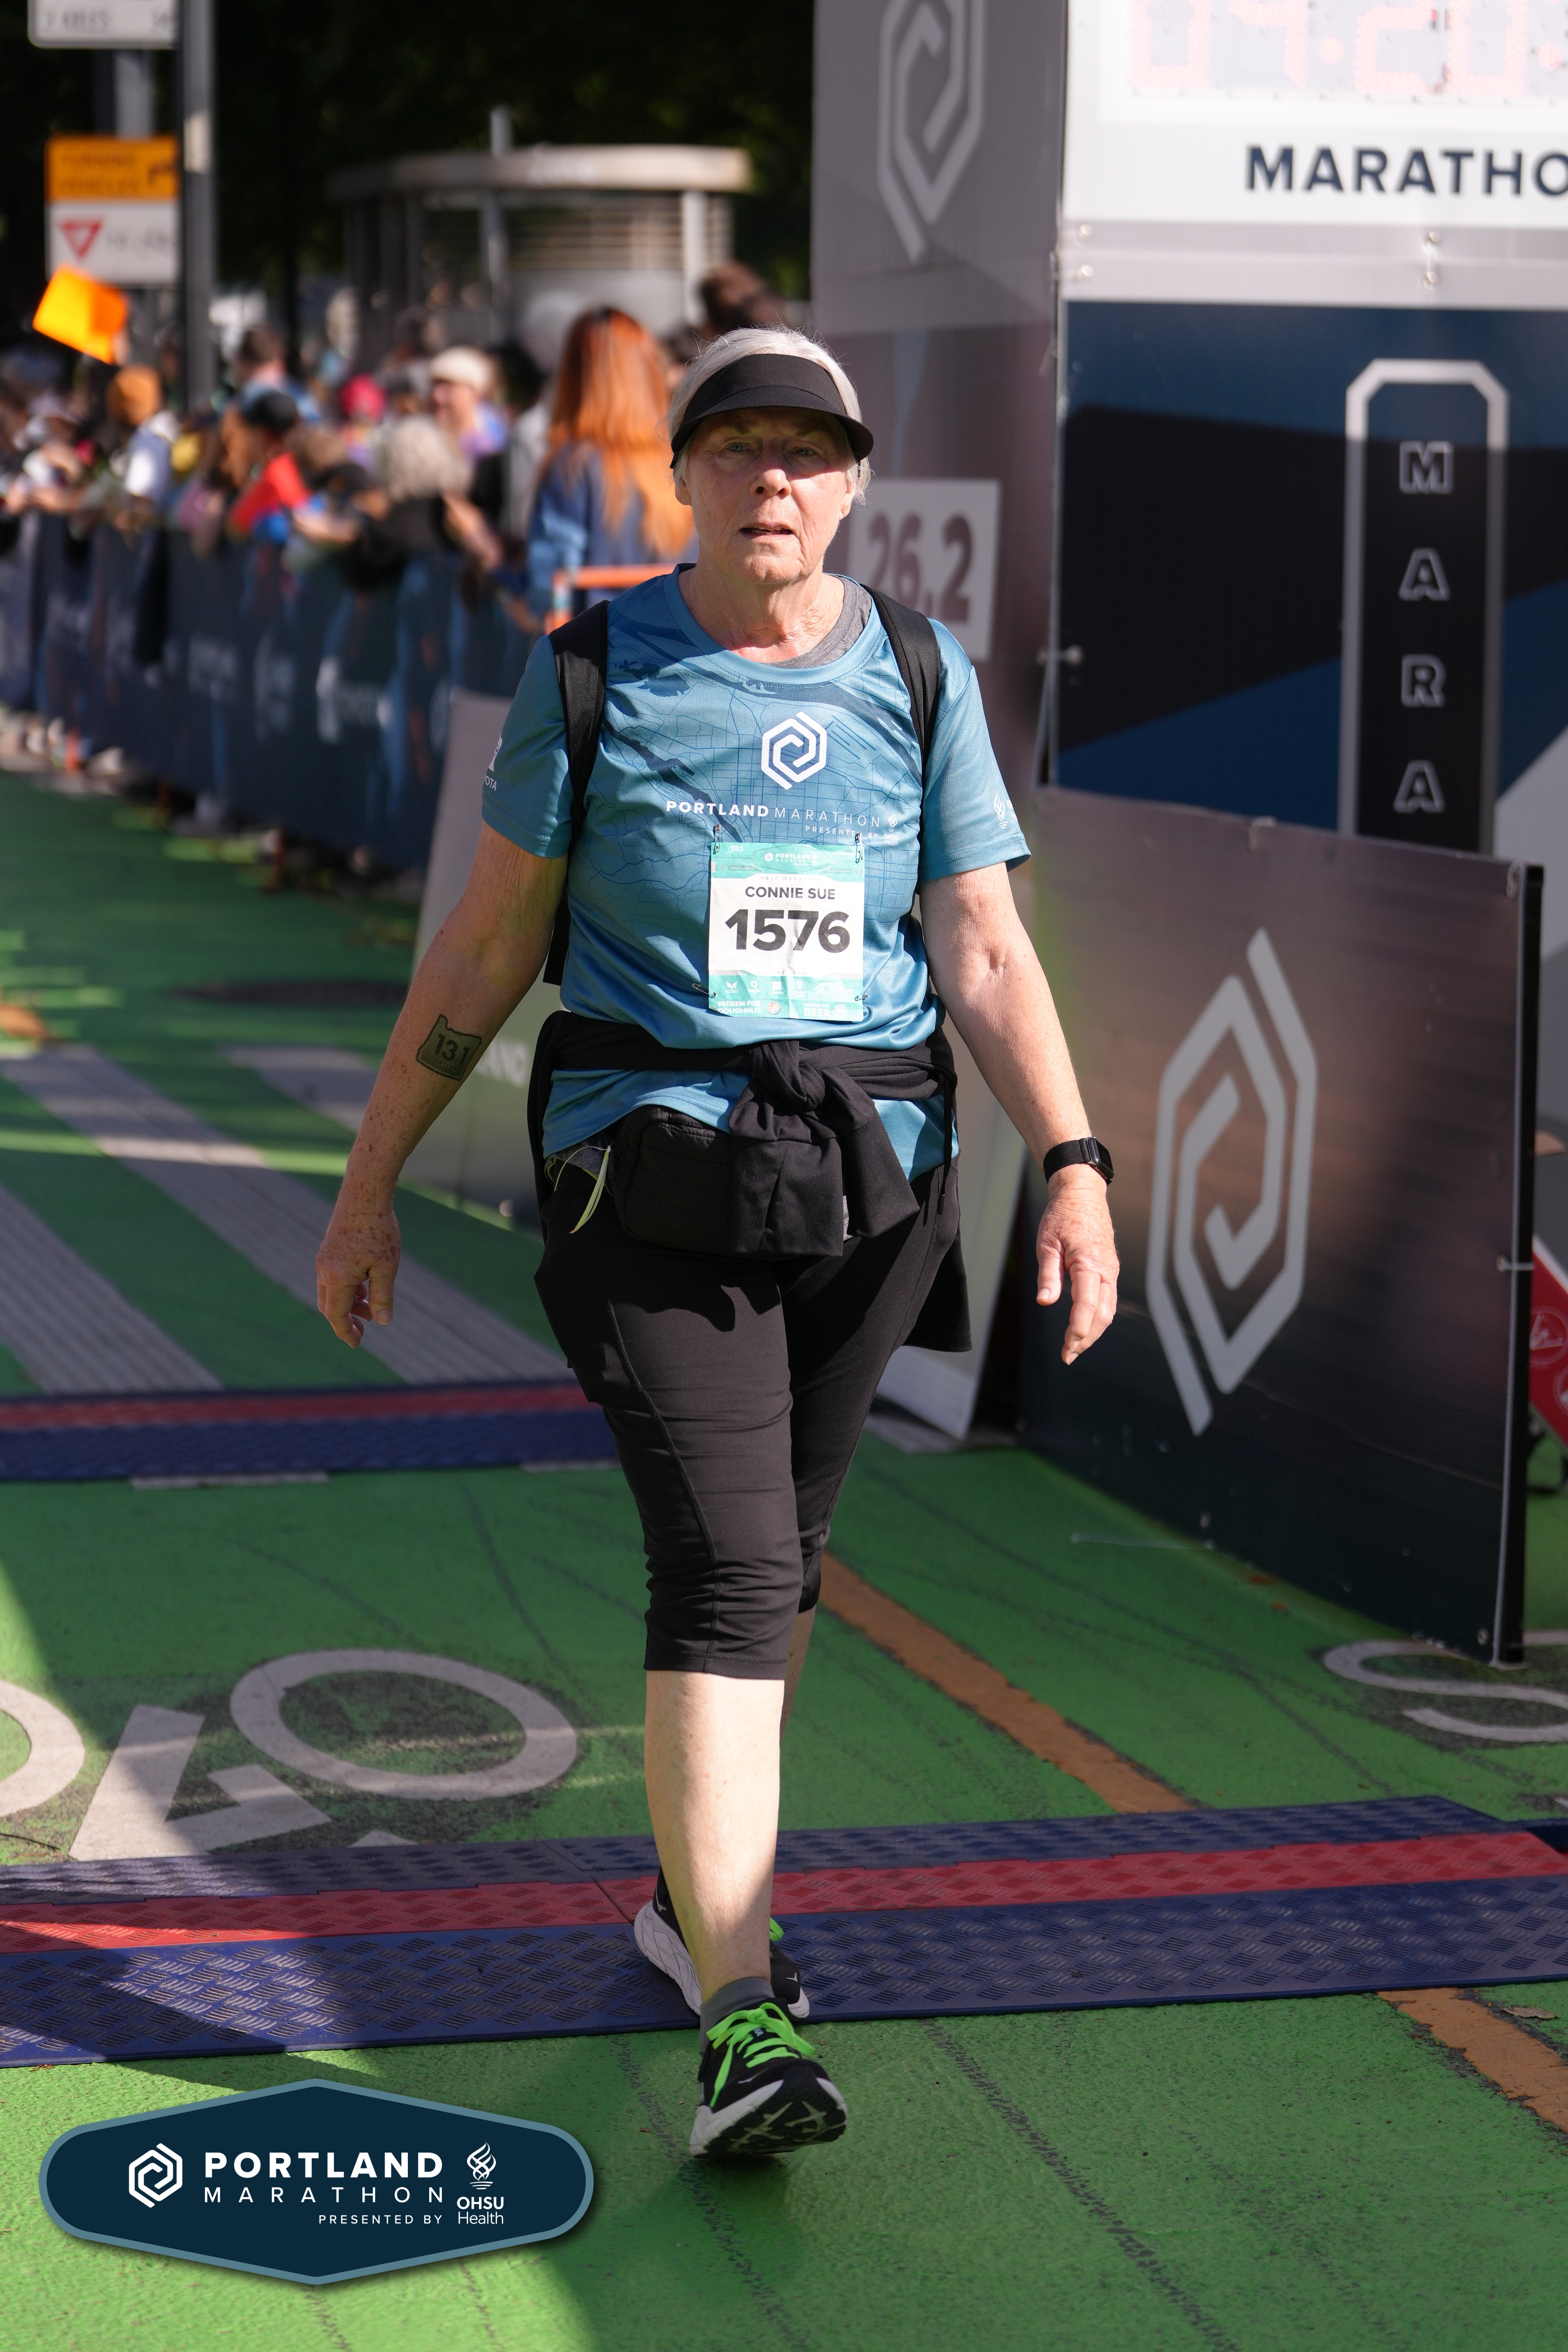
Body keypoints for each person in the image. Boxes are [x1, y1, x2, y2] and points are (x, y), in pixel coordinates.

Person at [315, 326, 1119, 2161]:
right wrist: (368, 1190)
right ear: (679, 476)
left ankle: (691, 1907)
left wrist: (1073, 1159)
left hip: (867, 1181)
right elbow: (484, 948)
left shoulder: (918, 670)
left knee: (785, 1560)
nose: (774, 476)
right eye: (739, 443)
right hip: (648, 1170)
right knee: (733, 1566)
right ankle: (742, 2018)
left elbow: (983, 945)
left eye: (808, 449)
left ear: (851, 485)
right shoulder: (593, 670)